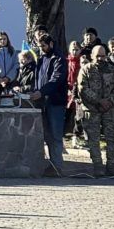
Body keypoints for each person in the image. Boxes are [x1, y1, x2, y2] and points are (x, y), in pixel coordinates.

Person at [77, 44, 114, 177]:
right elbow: (82, 89)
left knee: (112, 138)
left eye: (103, 56)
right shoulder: (86, 70)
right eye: (97, 56)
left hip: (109, 109)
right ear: (92, 56)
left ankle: (112, 166)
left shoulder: (112, 70)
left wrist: (110, 101)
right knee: (93, 140)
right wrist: (98, 100)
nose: (100, 58)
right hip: (92, 110)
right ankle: (98, 167)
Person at [30, 34, 68, 174]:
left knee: (56, 135)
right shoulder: (40, 59)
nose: (41, 49)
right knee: (47, 136)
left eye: (43, 46)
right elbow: (37, 79)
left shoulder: (59, 59)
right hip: (42, 103)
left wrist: (42, 92)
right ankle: (51, 165)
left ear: (51, 44)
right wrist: (35, 91)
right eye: (40, 47)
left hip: (56, 103)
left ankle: (57, 166)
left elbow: (56, 79)